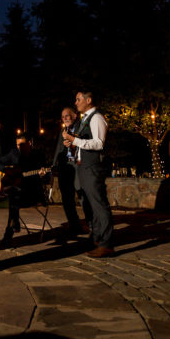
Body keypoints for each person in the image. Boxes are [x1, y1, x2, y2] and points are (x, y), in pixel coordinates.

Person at [62, 90, 115, 258]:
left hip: (92, 167)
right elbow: (86, 142)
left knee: (99, 205)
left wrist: (74, 140)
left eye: (78, 99)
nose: (76, 103)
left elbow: (99, 143)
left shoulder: (97, 117)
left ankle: (107, 244)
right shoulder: (85, 119)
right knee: (92, 205)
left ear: (89, 100)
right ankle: (98, 239)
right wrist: (72, 144)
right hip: (84, 166)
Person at [0, 132, 47, 246]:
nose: (19, 148)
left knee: (13, 198)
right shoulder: (14, 154)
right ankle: (12, 227)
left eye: (21, 145)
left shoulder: (37, 156)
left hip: (32, 194)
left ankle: (11, 230)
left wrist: (42, 175)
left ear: (29, 143)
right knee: (14, 195)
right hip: (18, 194)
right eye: (17, 145)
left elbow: (46, 177)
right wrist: (6, 170)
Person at [52, 106, 83, 239]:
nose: (65, 118)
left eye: (67, 115)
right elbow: (58, 149)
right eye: (63, 116)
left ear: (75, 116)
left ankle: (94, 227)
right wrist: (54, 166)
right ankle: (74, 225)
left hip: (78, 165)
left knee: (82, 196)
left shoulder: (81, 128)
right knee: (67, 199)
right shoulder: (63, 131)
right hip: (65, 168)